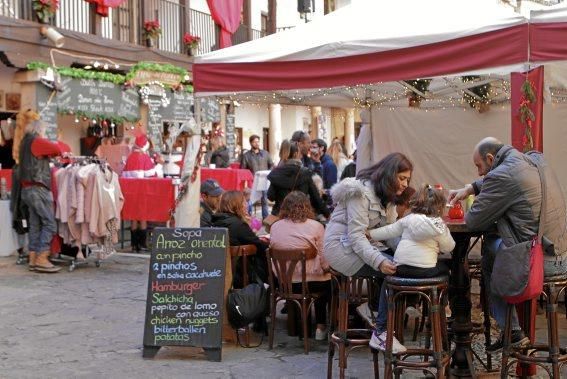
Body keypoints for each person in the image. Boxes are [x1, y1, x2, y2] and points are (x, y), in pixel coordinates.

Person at [449, 137, 567, 353]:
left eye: (479, 166)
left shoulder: (502, 176)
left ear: (491, 158)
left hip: (541, 262)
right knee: (498, 244)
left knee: (490, 250)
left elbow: (474, 220)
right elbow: (509, 178)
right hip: (561, 256)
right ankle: (510, 331)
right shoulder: (534, 160)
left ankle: (511, 331)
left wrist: (477, 195)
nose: (479, 173)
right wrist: (471, 188)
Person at [323, 152, 412, 349]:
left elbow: (389, 233)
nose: (406, 184)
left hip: (359, 246)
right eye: (402, 178)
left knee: (408, 266)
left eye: (408, 179)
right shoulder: (360, 192)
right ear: (390, 175)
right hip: (341, 248)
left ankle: (371, 308)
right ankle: (380, 332)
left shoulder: (388, 197)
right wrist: (380, 261)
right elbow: (356, 237)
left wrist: (412, 250)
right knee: (395, 272)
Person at [366, 184, 455, 352]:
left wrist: (370, 233)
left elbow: (389, 231)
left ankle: (382, 326)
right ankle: (440, 306)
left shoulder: (407, 220)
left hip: (401, 269)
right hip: (426, 272)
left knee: (388, 280)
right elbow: (449, 247)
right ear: (440, 206)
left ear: (415, 203)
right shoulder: (439, 226)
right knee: (445, 270)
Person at [269, 191, 332, 340]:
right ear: (307, 207)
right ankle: (320, 326)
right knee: (329, 283)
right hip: (313, 283)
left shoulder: (275, 227)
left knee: (316, 280)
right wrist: (328, 269)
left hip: (285, 282)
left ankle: (299, 327)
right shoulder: (317, 226)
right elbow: (324, 258)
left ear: (284, 207)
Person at [18, 120, 65, 273]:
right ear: (39, 130)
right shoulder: (37, 141)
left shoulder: (24, 143)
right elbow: (57, 148)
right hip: (38, 188)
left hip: (27, 189)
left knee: (35, 225)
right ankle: (41, 257)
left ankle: (32, 258)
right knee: (50, 224)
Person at [212, 190, 269, 285]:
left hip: (219, 272)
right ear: (237, 205)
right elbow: (260, 246)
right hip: (241, 274)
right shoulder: (238, 225)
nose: (246, 205)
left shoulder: (215, 222)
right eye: (244, 202)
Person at [267, 140, 330, 218]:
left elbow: (270, 196)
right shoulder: (304, 172)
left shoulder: (276, 172)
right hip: (300, 215)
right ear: (295, 154)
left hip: (281, 215)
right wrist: (327, 213)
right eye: (299, 153)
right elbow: (315, 198)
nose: (301, 155)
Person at [122, 134, 156, 252]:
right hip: (142, 192)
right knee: (142, 217)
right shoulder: (144, 157)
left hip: (130, 193)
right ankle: (142, 245)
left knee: (133, 217)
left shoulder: (130, 157)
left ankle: (133, 245)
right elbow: (152, 175)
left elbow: (124, 175)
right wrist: (159, 164)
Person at [240, 134, 274, 219]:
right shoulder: (246, 156)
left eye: (258, 141)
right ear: (251, 143)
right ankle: (248, 217)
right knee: (250, 200)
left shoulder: (265, 154)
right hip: (252, 181)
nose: (257, 143)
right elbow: (242, 169)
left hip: (264, 180)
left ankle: (265, 218)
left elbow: (271, 165)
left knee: (264, 200)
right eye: (255, 142)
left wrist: (268, 173)